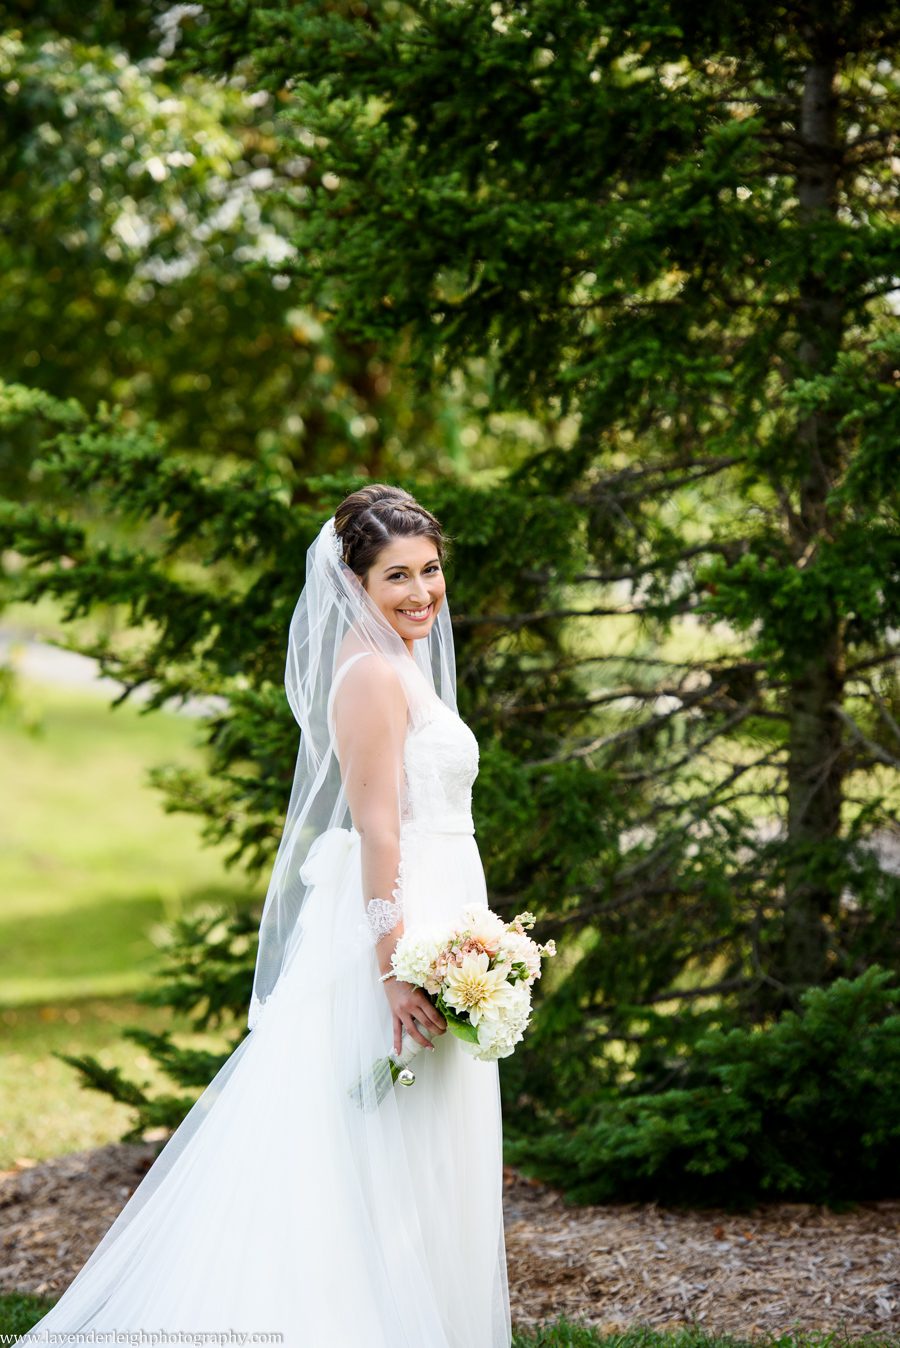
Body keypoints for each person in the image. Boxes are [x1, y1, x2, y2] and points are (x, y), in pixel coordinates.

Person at [19, 484, 513, 1348]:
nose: (421, 592)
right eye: (396, 575)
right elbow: (376, 828)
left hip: (441, 915)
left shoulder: (404, 662)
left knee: (419, 1131)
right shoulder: (368, 678)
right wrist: (396, 967)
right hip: (394, 932)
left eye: (431, 571)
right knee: (363, 1139)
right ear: (353, 583)